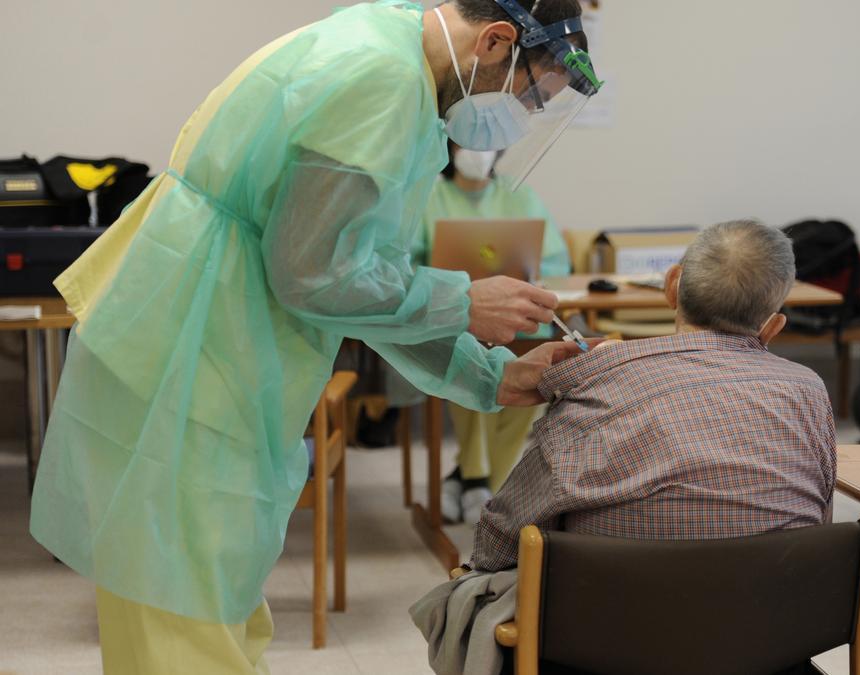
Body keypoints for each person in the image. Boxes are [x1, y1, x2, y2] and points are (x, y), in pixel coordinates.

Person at [28, 1, 602, 672]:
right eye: (529, 94)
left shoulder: (390, 48)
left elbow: (358, 278)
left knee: (215, 606)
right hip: (190, 358)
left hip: (210, 349)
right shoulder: (382, 78)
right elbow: (313, 275)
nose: (518, 113)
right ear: (498, 40)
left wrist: (491, 374)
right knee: (186, 630)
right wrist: (461, 300)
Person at [467, 220, 839, 572]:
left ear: (671, 285)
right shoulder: (810, 391)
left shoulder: (598, 383)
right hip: (775, 626)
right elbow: (819, 518)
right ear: (773, 326)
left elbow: (500, 541)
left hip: (612, 630)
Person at [391, 142, 571, 524]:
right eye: (468, 141)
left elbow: (555, 259)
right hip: (453, 318)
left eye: (487, 143)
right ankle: (476, 478)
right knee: (466, 366)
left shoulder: (518, 193)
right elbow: (403, 262)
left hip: (521, 324)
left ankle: (476, 480)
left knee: (529, 381)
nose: (478, 151)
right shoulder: (427, 194)